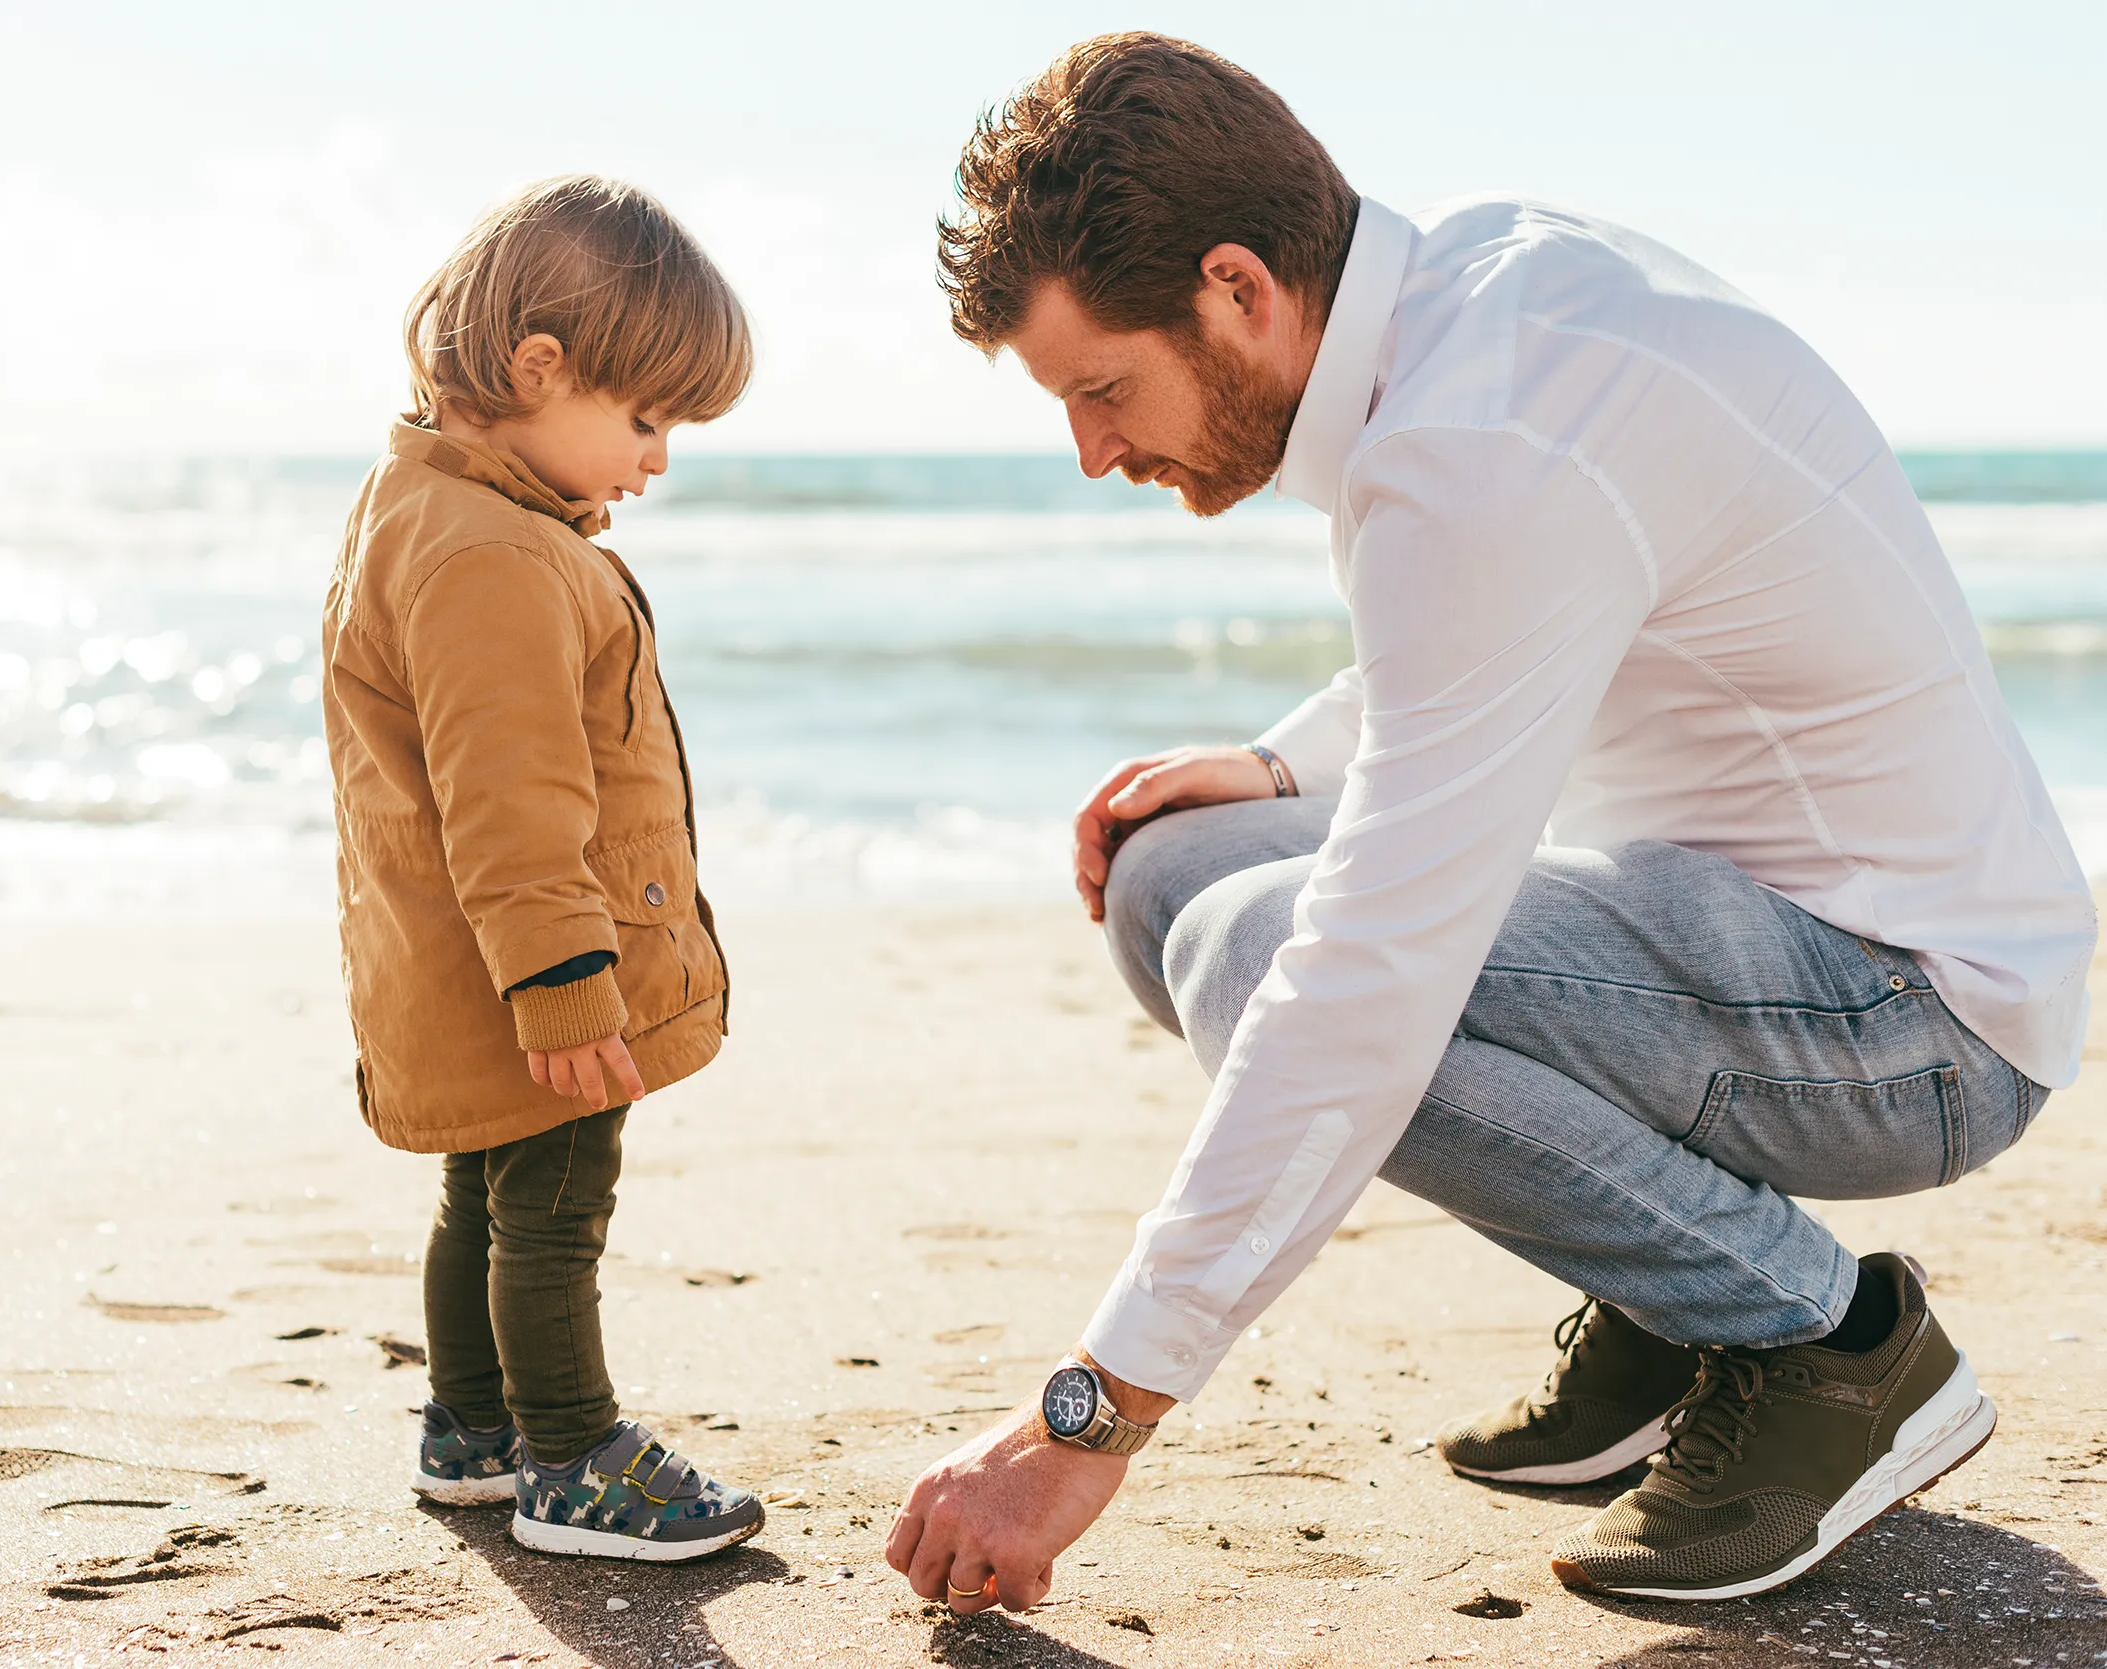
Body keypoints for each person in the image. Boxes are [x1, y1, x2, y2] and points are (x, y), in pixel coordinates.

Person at [888, 34, 2094, 1609]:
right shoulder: (1476, 299)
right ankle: (1668, 1306)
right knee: (1173, 868)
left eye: (1104, 388)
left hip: (1913, 1023)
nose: (1094, 450)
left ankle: (1825, 1343)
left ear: (1239, 288)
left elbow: (1368, 978)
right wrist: (1286, 761)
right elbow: (1524, 612)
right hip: (1743, 939)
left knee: (1267, 956)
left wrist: (1087, 1419)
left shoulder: (1484, 441)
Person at [320, 176, 763, 1562]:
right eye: (645, 421)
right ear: (539, 370)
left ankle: (472, 1430)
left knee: (485, 1192)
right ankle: (569, 1454)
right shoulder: (491, 554)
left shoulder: (425, 510)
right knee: (556, 1200)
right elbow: (511, 799)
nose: (658, 461)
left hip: (453, 965)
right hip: (534, 969)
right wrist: (571, 983)